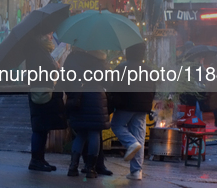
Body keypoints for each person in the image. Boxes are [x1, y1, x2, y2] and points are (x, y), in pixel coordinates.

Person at [111, 43, 155, 181]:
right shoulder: (149, 69)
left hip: (126, 105)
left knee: (117, 125)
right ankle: (136, 171)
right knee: (139, 136)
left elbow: (114, 87)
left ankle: (130, 143)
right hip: (143, 108)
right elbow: (153, 89)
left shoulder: (122, 67)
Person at [63, 48, 110, 179]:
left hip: (79, 98)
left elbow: (67, 78)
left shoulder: (73, 58)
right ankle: (90, 168)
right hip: (96, 98)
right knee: (94, 133)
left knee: (81, 133)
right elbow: (107, 82)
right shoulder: (101, 59)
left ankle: (73, 167)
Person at [27, 34, 67, 172]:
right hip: (41, 94)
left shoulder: (40, 52)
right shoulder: (39, 53)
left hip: (41, 92)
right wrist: (54, 68)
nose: (51, 38)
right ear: (41, 38)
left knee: (43, 128)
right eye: (47, 35)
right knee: (40, 128)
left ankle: (40, 159)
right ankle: (36, 160)